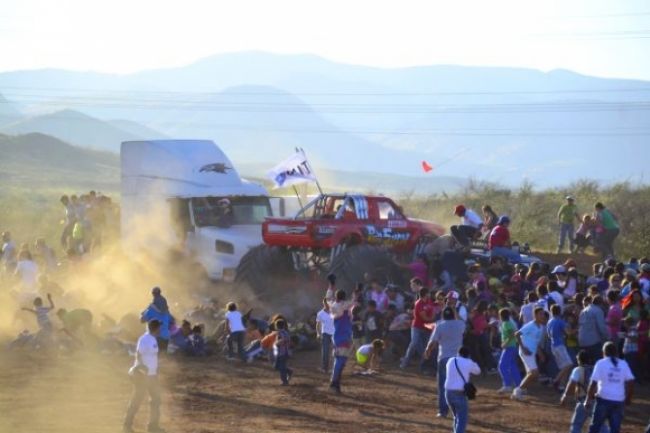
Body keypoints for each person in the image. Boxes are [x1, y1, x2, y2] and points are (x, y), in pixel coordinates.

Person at [123, 319, 164, 433]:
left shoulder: (153, 339)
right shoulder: (144, 339)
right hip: (143, 375)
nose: (160, 329)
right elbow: (138, 354)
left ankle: (153, 426)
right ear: (155, 328)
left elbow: (151, 356)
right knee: (137, 400)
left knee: (156, 399)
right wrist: (140, 366)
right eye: (159, 327)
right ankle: (127, 425)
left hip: (152, 375)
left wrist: (155, 370)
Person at [425, 306, 466, 418]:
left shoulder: (440, 325)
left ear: (443, 316)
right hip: (458, 358)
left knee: (443, 386)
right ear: (453, 315)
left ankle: (443, 411)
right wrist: (455, 312)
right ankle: (457, 411)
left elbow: (432, 342)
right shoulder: (460, 324)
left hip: (444, 358)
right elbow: (462, 322)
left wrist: (427, 351)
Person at [584, 342, 635, 433]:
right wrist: (628, 398)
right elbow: (631, 382)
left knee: (595, 428)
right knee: (615, 429)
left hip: (603, 399)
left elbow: (593, 383)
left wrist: (587, 399)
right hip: (618, 400)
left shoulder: (601, 363)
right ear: (616, 353)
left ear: (604, 352)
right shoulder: (623, 364)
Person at [561, 350, 610, 433]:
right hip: (599, 401)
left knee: (576, 425)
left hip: (584, 400)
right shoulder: (597, 369)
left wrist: (565, 395)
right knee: (601, 425)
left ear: (579, 360)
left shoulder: (578, 370)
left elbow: (572, 382)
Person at [512, 307, 547, 401]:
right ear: (535, 315)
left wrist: (540, 353)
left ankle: (521, 389)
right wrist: (523, 348)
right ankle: (518, 391)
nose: (543, 316)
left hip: (532, 352)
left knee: (532, 374)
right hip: (526, 352)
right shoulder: (530, 325)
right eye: (541, 314)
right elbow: (517, 334)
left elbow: (536, 342)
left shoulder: (541, 327)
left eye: (543, 314)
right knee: (534, 373)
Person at [444, 346, 481, 433]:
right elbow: (478, 371)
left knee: (456, 417)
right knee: (462, 419)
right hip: (459, 393)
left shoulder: (451, 360)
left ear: (458, 353)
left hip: (448, 392)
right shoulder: (468, 362)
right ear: (468, 355)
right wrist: (472, 361)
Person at [400, 287, 433, 371]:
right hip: (417, 327)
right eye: (428, 293)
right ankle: (406, 362)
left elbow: (432, 312)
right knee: (414, 343)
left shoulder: (429, 301)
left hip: (426, 327)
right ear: (425, 294)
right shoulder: (418, 303)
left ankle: (423, 364)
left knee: (426, 346)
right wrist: (432, 319)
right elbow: (424, 317)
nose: (429, 294)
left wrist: (431, 318)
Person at [329, 289, 353, 394]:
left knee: (338, 361)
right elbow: (351, 303)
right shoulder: (343, 308)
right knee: (341, 361)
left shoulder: (335, 307)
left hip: (337, 337)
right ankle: (334, 383)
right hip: (343, 337)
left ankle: (335, 383)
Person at [547, 305, 574, 391]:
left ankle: (562, 386)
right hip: (559, 345)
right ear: (559, 311)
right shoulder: (560, 321)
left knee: (564, 367)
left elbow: (548, 335)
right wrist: (576, 329)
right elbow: (568, 333)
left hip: (553, 345)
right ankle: (556, 380)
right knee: (569, 364)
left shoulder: (549, 322)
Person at [497, 308, 521, 394]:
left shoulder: (506, 323)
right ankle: (519, 385)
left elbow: (512, 334)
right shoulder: (509, 323)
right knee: (512, 366)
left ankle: (507, 385)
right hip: (513, 347)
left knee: (502, 365)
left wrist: (505, 343)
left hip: (509, 347)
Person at [579, 296, 608, 364]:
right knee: (597, 363)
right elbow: (602, 327)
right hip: (593, 342)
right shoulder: (598, 310)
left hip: (582, 341)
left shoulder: (583, 310)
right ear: (601, 304)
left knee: (585, 364)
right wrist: (607, 337)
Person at [316, 298, 334, 373]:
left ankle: (333, 368)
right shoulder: (320, 313)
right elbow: (318, 324)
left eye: (329, 302)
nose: (328, 304)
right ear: (324, 303)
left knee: (335, 351)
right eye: (326, 303)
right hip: (325, 333)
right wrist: (318, 333)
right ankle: (325, 368)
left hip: (334, 333)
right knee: (325, 351)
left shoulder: (334, 311)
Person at [273, 319, 293, 385]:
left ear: (276, 326)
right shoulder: (284, 332)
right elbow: (288, 340)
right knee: (277, 366)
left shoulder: (280, 333)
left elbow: (283, 340)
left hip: (282, 352)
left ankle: (284, 381)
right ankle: (289, 371)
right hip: (283, 352)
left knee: (281, 367)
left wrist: (277, 343)